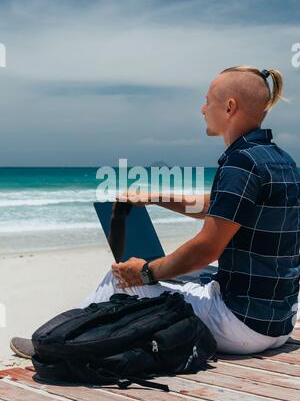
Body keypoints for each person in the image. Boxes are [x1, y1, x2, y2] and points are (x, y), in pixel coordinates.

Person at [11, 65, 300, 358]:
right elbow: (218, 205)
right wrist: (156, 197)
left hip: (240, 326)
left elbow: (207, 249)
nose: (202, 109)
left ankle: (54, 344)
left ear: (229, 107)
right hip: (277, 323)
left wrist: (146, 273)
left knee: (121, 278)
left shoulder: (241, 162)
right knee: (182, 272)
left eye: (207, 100)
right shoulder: (280, 160)